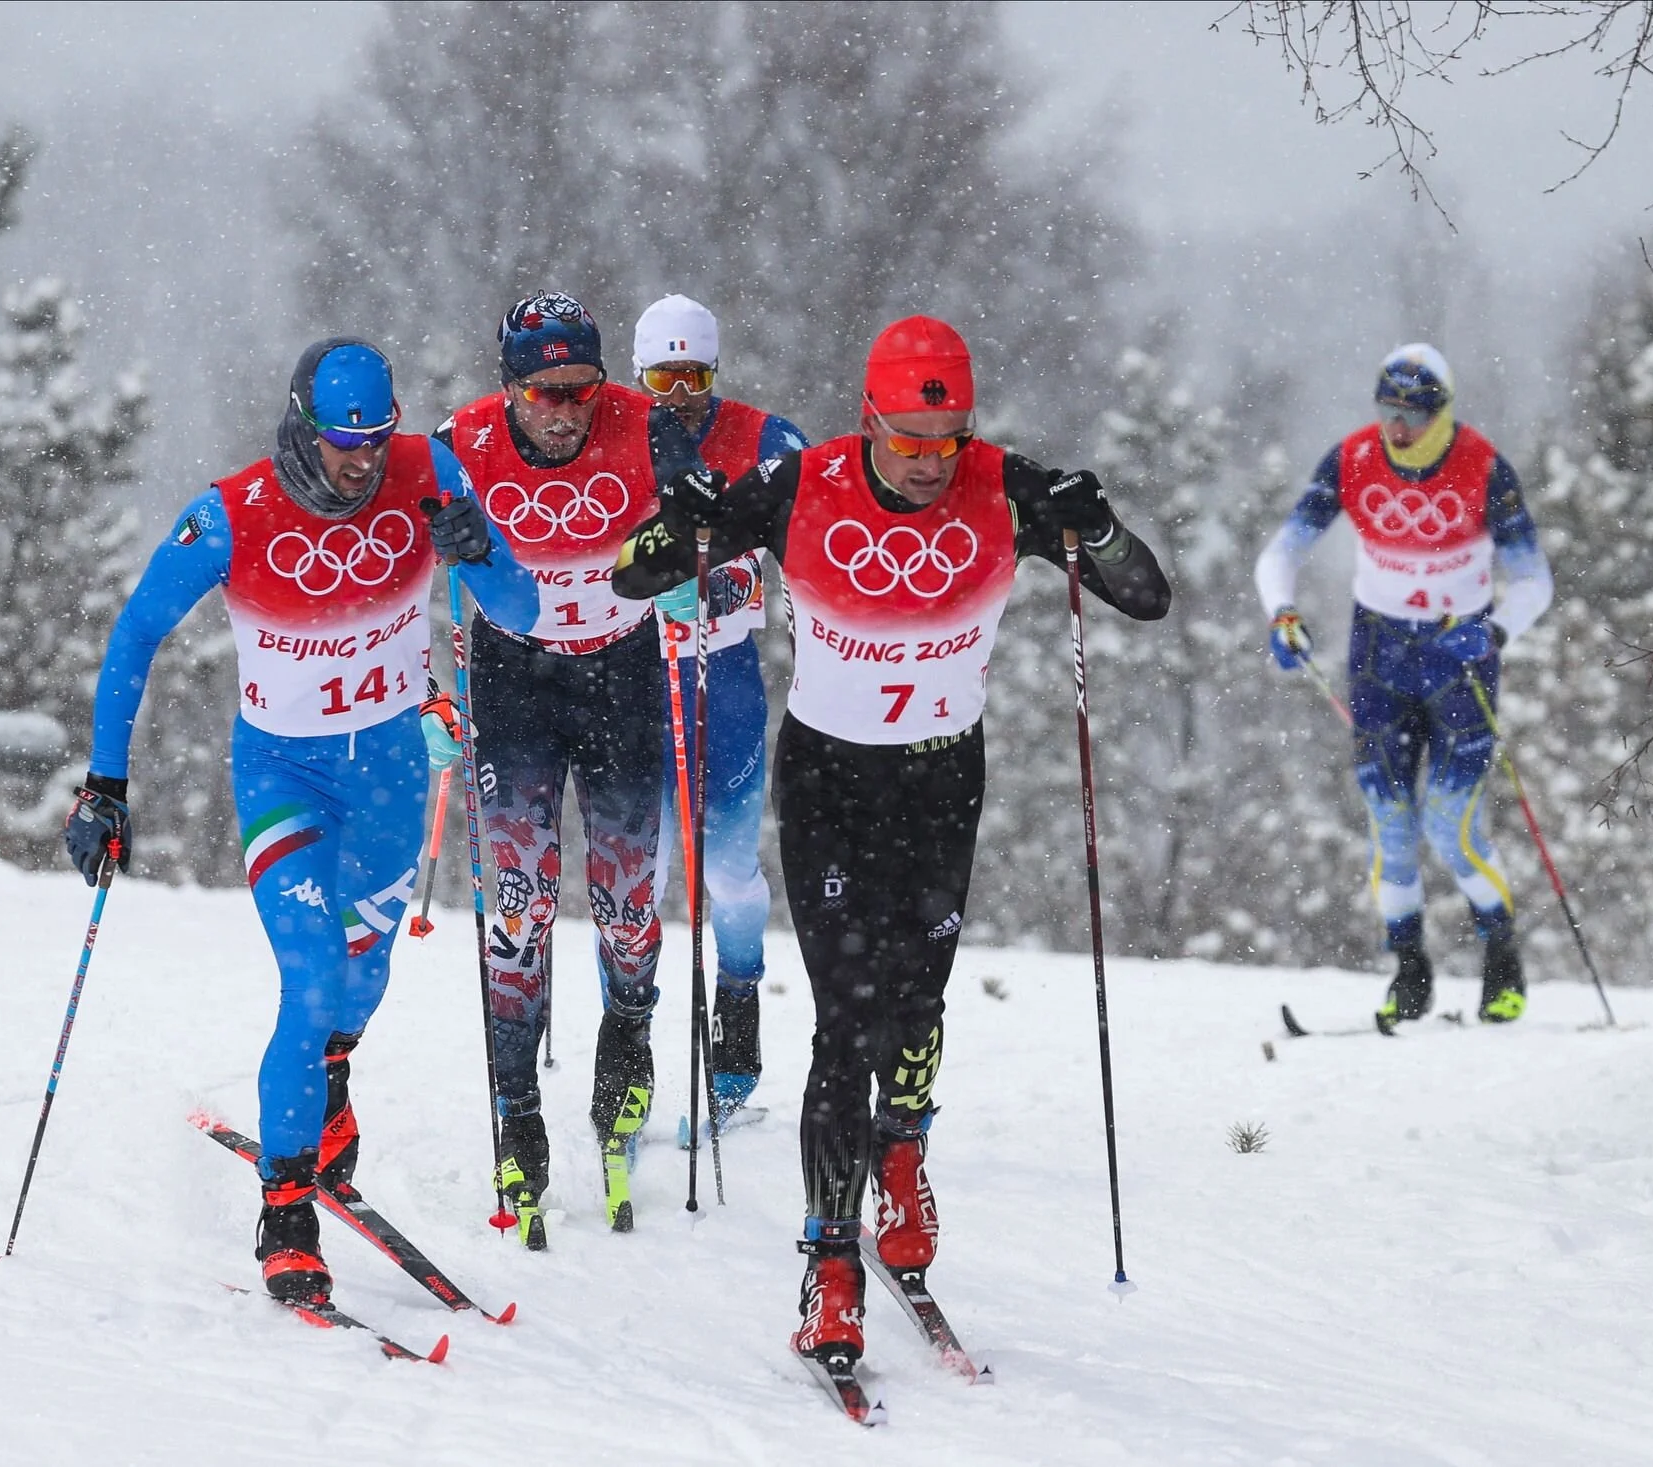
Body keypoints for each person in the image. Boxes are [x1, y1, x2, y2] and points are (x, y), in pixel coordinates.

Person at [613, 316, 1171, 1371]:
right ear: (869, 419)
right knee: (846, 1020)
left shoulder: (1005, 487)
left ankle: (902, 1148)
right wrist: (673, 521)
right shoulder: (800, 484)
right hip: (831, 780)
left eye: (947, 439)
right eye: (910, 439)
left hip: (939, 781)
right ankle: (828, 1265)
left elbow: (1144, 597)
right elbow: (633, 577)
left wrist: (1092, 532)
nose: (928, 461)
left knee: (918, 997)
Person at [62, 339, 536, 1304]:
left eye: (376, 437)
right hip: (286, 774)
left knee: (360, 985)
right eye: (341, 440)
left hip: (394, 776)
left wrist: (477, 552)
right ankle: (287, 1210)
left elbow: (523, 608)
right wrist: (104, 784)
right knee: (312, 978)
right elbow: (136, 635)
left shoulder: (427, 473)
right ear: (300, 423)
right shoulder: (232, 512)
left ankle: (329, 1084)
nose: (363, 460)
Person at [433, 292, 674, 1247]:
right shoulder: (460, 441)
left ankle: (629, 1033)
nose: (567, 409)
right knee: (518, 900)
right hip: (513, 680)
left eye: (582, 388)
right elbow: (399, 570)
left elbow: (721, 509)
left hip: (620, 671)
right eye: (545, 392)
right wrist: (429, 694)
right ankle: (516, 1099)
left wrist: (701, 557)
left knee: (626, 895)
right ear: (510, 386)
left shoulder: (647, 428)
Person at [1253, 343, 1554, 1030]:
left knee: (1451, 828)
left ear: (1442, 414)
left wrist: (1495, 631)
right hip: (1379, 657)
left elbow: (1535, 579)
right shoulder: (1354, 458)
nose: (1398, 426)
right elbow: (1283, 550)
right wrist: (1283, 612)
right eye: (1388, 410)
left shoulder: (1482, 466)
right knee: (1390, 826)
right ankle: (1409, 971)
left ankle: (1501, 960)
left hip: (1459, 657)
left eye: (1414, 414)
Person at [624, 294, 809, 1133]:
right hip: (632, 677)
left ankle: (737, 1001)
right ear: (638, 374)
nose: (678, 394)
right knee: (639, 875)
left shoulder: (765, 441)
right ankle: (626, 1040)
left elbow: (815, 539)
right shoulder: (611, 435)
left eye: (694, 374)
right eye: (662, 375)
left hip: (725, 674)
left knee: (727, 868)